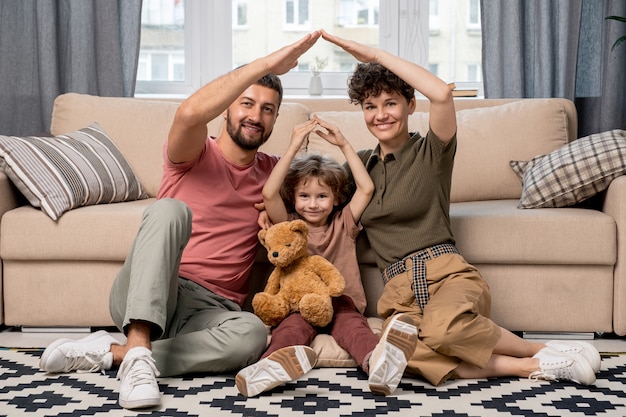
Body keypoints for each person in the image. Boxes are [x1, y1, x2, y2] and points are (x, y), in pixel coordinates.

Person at [38, 31, 321, 410]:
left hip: (212, 311)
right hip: (155, 286)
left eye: (268, 109)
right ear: (225, 108)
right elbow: (189, 113)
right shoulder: (193, 151)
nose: (256, 116)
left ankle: (117, 354)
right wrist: (268, 64)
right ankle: (138, 348)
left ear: (275, 120)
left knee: (252, 334)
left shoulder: (273, 175)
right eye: (247, 103)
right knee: (170, 209)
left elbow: (311, 212)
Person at [319, 29, 601, 393]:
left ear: (410, 105)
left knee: (442, 329)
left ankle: (540, 350)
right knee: (398, 354)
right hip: (397, 290)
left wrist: (374, 54)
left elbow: (441, 93)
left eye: (390, 102)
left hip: (445, 273)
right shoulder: (358, 165)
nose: (380, 114)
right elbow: (313, 198)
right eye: (370, 106)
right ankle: (535, 364)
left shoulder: (432, 153)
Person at [235, 115, 419, 397]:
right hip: (299, 303)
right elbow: (270, 191)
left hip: (341, 301)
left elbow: (367, 188)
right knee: (289, 330)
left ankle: (379, 364)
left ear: (335, 198)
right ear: (294, 198)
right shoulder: (289, 225)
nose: (313, 204)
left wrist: (344, 143)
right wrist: (294, 145)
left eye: (322, 196)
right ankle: (267, 368)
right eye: (304, 196)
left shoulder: (343, 222)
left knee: (356, 331)